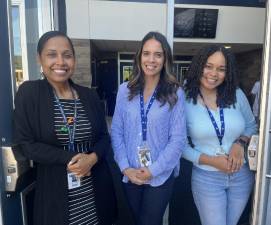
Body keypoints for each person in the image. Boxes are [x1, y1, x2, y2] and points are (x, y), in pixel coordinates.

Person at [13, 31, 117, 225]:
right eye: (52, 54)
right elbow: (26, 144)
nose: (60, 61)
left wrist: (92, 158)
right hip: (55, 194)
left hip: (95, 191)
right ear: (39, 59)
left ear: (74, 60)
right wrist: (72, 159)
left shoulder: (89, 96)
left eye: (67, 55)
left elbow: (104, 137)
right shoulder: (29, 93)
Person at [111, 31, 186, 225]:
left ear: (165, 59)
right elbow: (117, 131)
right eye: (146, 53)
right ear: (139, 56)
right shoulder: (124, 90)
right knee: (132, 221)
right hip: (130, 174)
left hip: (160, 175)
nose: (151, 59)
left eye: (158, 54)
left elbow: (178, 140)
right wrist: (125, 168)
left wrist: (153, 170)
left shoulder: (175, 93)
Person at [183, 45, 257, 225]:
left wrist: (239, 144)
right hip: (207, 178)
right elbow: (180, 146)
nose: (214, 73)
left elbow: (251, 126)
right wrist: (212, 161)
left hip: (241, 175)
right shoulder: (184, 100)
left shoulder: (237, 95)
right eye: (208, 66)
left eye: (221, 69)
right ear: (199, 66)